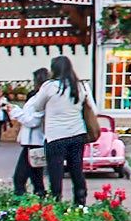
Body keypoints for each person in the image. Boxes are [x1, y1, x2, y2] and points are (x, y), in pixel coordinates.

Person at [24, 56, 98, 206]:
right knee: (76, 169)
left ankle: (56, 201)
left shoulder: (49, 86)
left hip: (56, 136)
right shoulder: (79, 86)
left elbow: (37, 106)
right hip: (77, 133)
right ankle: (80, 200)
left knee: (56, 171)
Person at [13, 68, 50, 196]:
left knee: (20, 178)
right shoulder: (35, 97)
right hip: (31, 141)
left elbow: (33, 121)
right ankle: (39, 200)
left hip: (35, 141)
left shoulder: (41, 98)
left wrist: (16, 112)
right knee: (36, 178)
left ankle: (22, 201)